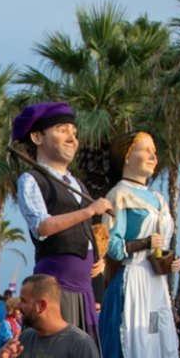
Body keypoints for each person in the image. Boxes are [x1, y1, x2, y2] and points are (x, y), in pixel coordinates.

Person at [98, 130, 180, 358]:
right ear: (126, 155)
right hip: (130, 286)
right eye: (145, 149)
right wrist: (145, 243)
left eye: (155, 151)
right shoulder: (118, 195)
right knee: (133, 351)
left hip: (156, 289)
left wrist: (171, 262)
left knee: (159, 350)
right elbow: (112, 247)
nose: (152, 156)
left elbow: (161, 247)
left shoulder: (159, 198)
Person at [11, 102, 114, 340]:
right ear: (37, 137)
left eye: (75, 133)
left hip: (85, 288)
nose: (72, 138)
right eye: (62, 130)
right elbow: (42, 227)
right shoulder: (31, 179)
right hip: (55, 288)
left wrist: (100, 258)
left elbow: (87, 232)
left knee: (84, 355)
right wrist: (89, 211)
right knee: (58, 353)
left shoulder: (78, 184)